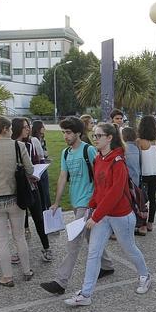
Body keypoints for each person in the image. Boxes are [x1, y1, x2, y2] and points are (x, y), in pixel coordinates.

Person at [64, 123, 151, 306]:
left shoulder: (118, 161)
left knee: (129, 249)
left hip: (121, 216)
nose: (95, 139)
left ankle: (145, 275)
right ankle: (86, 294)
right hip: (103, 216)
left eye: (99, 136)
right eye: (94, 136)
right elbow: (99, 188)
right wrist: (92, 206)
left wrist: (96, 216)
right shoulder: (99, 159)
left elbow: (115, 192)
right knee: (93, 253)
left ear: (109, 138)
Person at [40, 117, 115, 295]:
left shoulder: (89, 150)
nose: (65, 136)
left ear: (78, 133)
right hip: (76, 202)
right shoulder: (66, 153)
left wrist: (98, 201)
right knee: (90, 236)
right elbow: (62, 177)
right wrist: (56, 202)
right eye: (63, 132)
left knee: (73, 243)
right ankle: (107, 265)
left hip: (88, 204)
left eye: (68, 132)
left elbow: (101, 174)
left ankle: (60, 282)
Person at [0, 116, 34, 286]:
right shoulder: (19, 145)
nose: (11, 131)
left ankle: (7, 277)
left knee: (1, 239)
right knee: (19, 237)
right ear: (4, 129)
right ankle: (26, 271)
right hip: (17, 197)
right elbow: (30, 169)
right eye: (9, 128)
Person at [11, 117, 53, 262]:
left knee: (38, 218)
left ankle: (46, 247)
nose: (28, 129)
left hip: (32, 186)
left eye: (28, 126)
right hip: (16, 189)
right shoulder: (10, 146)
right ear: (16, 128)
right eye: (24, 127)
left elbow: (36, 163)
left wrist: (36, 173)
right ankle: (18, 251)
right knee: (18, 222)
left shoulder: (30, 145)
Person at [136, 115, 156, 235]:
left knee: (141, 200)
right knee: (152, 198)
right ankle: (150, 222)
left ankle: (142, 224)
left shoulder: (139, 141)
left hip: (143, 173)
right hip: (155, 173)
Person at [31, 120, 51, 210]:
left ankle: (47, 206)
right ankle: (45, 208)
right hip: (40, 166)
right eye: (43, 127)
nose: (44, 129)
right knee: (44, 189)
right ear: (38, 128)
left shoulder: (42, 138)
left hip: (43, 164)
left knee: (46, 189)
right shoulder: (35, 139)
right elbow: (41, 154)